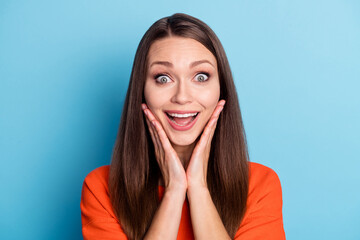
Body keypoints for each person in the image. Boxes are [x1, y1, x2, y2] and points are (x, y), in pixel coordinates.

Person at [81, 13, 285, 240]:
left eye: (200, 76)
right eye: (163, 78)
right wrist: (174, 190)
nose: (182, 96)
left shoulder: (259, 185)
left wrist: (198, 188)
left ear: (221, 90)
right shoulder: (102, 188)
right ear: (142, 91)